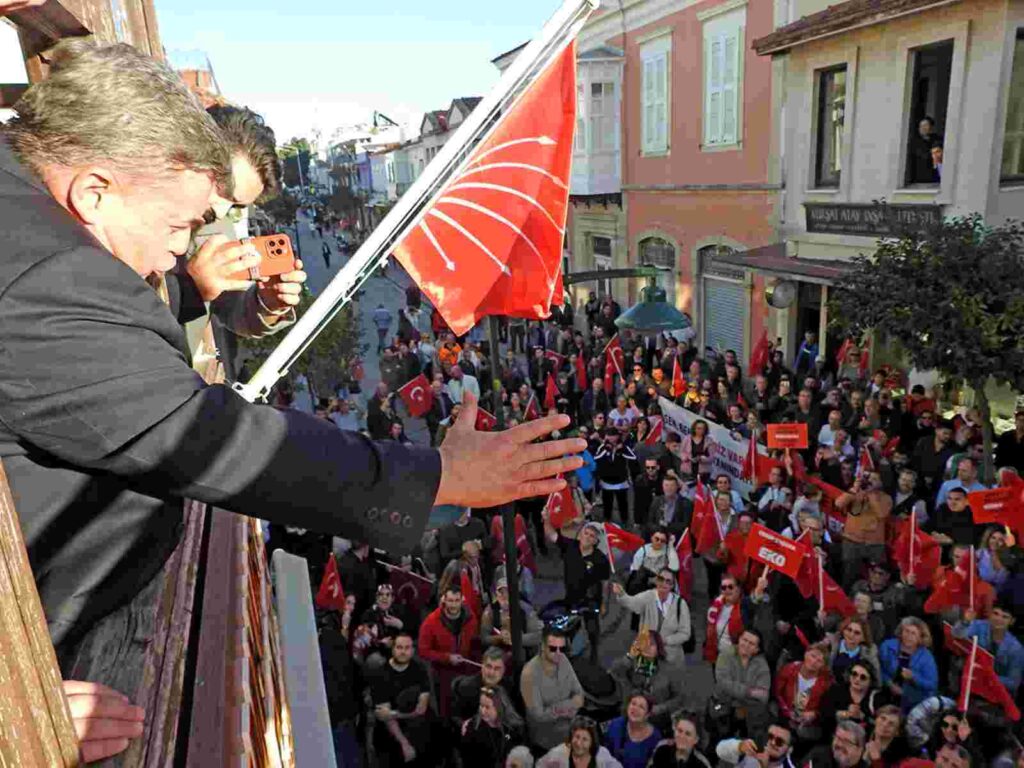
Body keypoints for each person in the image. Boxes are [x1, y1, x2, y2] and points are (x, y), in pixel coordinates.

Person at [0, 41, 585, 681]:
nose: (176, 255)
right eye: (179, 226)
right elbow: (202, 439)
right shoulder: (50, 278)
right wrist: (439, 475)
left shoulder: (36, 220)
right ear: (94, 191)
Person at [546, 522, 611, 663]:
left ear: (596, 541)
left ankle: (594, 652)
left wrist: (605, 603)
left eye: (592, 536)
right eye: (586, 533)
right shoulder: (570, 546)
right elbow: (551, 535)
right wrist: (546, 519)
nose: (587, 537)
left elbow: (605, 582)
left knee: (592, 629)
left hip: (591, 600)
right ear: (580, 534)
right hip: (571, 598)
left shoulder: (601, 559)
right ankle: (566, 653)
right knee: (569, 627)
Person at [368, 632, 435, 767]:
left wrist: (394, 713)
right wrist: (404, 744)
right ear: (393, 649)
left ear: (412, 650)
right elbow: (385, 718)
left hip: (417, 728)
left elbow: (421, 708)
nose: (403, 652)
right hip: (391, 733)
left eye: (407, 648)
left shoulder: (420, 669)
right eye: (399, 647)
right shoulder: (380, 674)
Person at [417, 586, 479, 718]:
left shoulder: (470, 618)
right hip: (442, 670)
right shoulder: (431, 622)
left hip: (466, 667)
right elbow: (423, 651)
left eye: (456, 600)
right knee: (447, 710)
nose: (453, 605)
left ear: (462, 600)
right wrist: (446, 657)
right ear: (444, 600)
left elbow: (475, 642)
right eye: (450, 600)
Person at [609, 629, 687, 733]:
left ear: (658, 647)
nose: (647, 647)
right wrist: (630, 655)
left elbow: (679, 698)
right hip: (631, 715)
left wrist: (659, 708)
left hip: (656, 720)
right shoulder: (633, 663)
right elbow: (613, 671)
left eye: (651, 644)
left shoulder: (669, 670)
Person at [520, 626, 584, 752]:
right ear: (543, 647)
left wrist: (558, 709)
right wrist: (567, 707)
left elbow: (579, 694)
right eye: (553, 649)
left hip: (571, 730)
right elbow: (538, 716)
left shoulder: (563, 659)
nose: (559, 653)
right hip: (546, 741)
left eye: (562, 648)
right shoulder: (529, 674)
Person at [613, 567, 691, 665]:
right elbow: (631, 602)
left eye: (668, 581)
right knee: (645, 679)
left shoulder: (681, 604)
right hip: (647, 655)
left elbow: (685, 633)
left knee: (666, 679)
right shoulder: (648, 596)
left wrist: (664, 641)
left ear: (672, 585)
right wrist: (621, 594)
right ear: (656, 581)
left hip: (670, 658)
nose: (664, 584)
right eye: (661, 579)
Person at [953, 600, 1024, 696]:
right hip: (970, 681)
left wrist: (987, 676)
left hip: (997, 693)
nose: (999, 619)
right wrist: (966, 621)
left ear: (1012, 621)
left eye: (1005, 617)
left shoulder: (1016, 648)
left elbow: (1013, 683)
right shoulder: (979, 625)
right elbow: (957, 634)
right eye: (996, 614)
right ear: (990, 614)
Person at [836, 470, 892, 590]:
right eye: (868, 478)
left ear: (881, 483)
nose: (870, 481)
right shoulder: (855, 492)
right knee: (849, 575)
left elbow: (881, 513)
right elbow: (838, 504)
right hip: (852, 541)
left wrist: (870, 494)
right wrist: (854, 489)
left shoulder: (886, 498)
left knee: (877, 574)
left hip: (874, 544)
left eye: (874, 479)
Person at [714, 629, 772, 740]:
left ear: (757, 649)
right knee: (718, 739)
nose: (746, 645)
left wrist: (735, 690)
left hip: (747, 711)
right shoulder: (726, 654)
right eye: (744, 640)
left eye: (751, 644)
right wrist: (749, 692)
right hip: (724, 705)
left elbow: (763, 695)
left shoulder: (761, 664)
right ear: (739, 640)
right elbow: (723, 683)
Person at [773, 642, 833, 746]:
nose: (814, 661)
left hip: (809, 725)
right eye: (812, 656)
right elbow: (777, 693)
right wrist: (787, 711)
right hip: (785, 715)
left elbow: (826, 709)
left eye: (819, 661)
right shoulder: (789, 669)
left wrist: (814, 715)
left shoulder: (827, 683)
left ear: (823, 665)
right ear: (805, 654)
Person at [879, 617, 938, 714]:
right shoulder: (887, 646)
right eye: (906, 631)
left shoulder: (927, 657)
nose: (908, 636)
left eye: (913, 633)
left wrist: (913, 677)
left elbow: (932, 685)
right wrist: (889, 683)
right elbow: (879, 669)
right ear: (901, 632)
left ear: (920, 638)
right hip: (885, 691)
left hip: (913, 700)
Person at [459, 685, 525, 766]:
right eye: (481, 705)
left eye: (487, 707)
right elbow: (467, 761)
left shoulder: (515, 728)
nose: (482, 711)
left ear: (500, 708)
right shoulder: (472, 728)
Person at [819, 661, 886, 739]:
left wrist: (863, 717)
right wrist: (845, 714)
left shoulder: (877, 698)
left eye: (863, 677)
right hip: (835, 738)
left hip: (862, 743)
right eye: (854, 674)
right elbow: (823, 714)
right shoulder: (836, 690)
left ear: (870, 681)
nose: (857, 679)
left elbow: (880, 725)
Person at [537, 716, 623, 767]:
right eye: (576, 737)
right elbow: (540, 765)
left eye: (584, 739)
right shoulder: (558, 753)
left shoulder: (602, 754)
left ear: (592, 742)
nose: (578, 743)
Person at [603, 694, 662, 768]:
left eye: (641, 707)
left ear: (647, 715)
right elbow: (605, 754)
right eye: (633, 703)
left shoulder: (655, 738)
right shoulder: (615, 724)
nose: (635, 709)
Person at [715, 721, 797, 768]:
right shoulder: (753, 748)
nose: (772, 742)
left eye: (779, 741)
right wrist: (739, 746)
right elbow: (719, 750)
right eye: (770, 736)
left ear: (789, 750)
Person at [648, 713, 713, 768]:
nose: (682, 736)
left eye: (688, 734)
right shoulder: (662, 751)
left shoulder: (702, 764)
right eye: (680, 731)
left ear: (695, 739)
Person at [799, 720, 867, 768]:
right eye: (837, 738)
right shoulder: (818, 756)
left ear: (859, 750)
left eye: (846, 741)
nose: (839, 744)